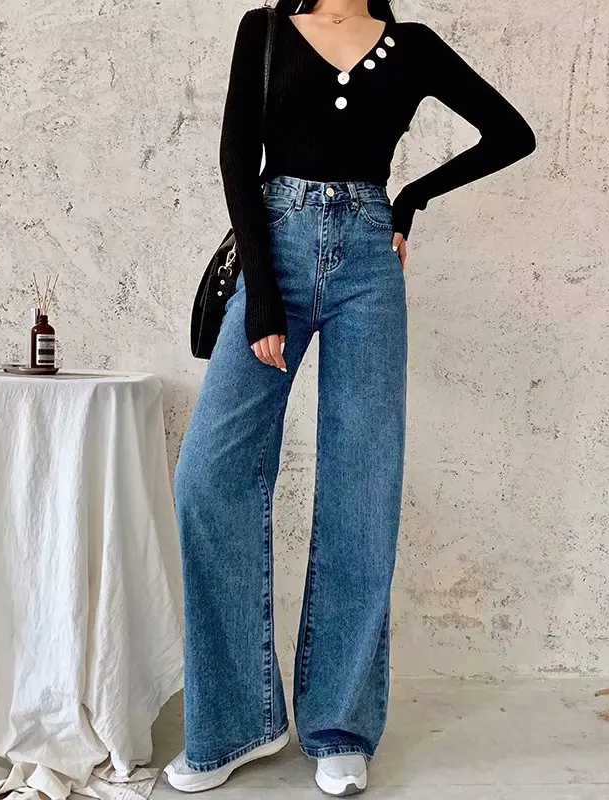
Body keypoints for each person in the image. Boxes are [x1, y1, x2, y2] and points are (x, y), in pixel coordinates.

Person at [165, 0, 536, 794]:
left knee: (361, 487)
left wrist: (411, 200)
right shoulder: (265, 30)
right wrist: (262, 298)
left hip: (369, 260)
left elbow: (511, 133)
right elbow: (237, 157)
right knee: (207, 477)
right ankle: (237, 721)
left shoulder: (413, 46)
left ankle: (339, 725)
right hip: (276, 245)